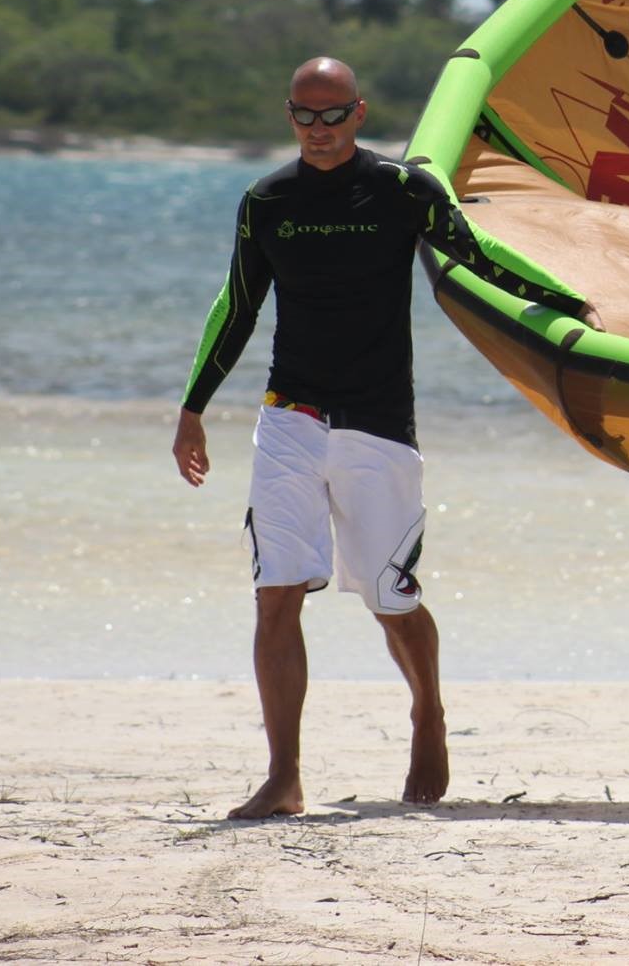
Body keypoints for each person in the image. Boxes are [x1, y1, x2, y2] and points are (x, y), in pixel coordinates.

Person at [171, 56, 584, 819]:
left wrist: (568, 306)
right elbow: (237, 305)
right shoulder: (268, 201)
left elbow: (478, 257)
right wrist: (194, 405)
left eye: (333, 116)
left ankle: (428, 710)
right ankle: (284, 774)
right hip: (289, 416)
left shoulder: (401, 192)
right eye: (304, 115)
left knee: (392, 599)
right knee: (274, 594)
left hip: (378, 424)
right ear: (289, 115)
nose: (319, 130)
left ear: (359, 114)